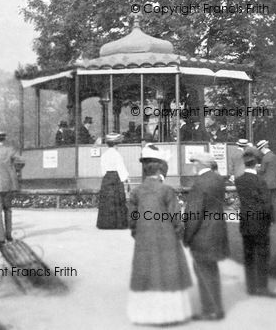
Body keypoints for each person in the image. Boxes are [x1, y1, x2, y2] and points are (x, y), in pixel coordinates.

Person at [128, 145, 192, 325]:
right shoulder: (167, 191)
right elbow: (175, 219)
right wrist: (178, 234)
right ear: (162, 169)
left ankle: (145, 314)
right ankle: (168, 314)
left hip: (144, 239)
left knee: (146, 274)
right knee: (167, 275)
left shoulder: (136, 192)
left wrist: (139, 234)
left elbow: (132, 220)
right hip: (167, 239)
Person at [184, 152, 229, 321]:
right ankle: (217, 308)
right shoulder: (218, 180)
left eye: (195, 163)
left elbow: (193, 214)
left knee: (203, 272)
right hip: (217, 230)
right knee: (212, 271)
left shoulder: (200, 184)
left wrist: (187, 237)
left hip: (202, 234)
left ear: (201, 164)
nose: (193, 166)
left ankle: (210, 310)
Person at [235, 147, 276, 298]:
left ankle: (251, 287)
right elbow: (267, 204)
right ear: (257, 163)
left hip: (246, 220)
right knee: (262, 255)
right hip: (260, 222)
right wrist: (269, 218)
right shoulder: (260, 181)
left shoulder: (239, 181)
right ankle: (262, 287)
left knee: (249, 254)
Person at [96, 133, 129, 229]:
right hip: (116, 177)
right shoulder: (117, 155)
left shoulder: (104, 155)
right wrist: (125, 178)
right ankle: (118, 223)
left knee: (107, 200)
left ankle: (105, 224)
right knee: (117, 199)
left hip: (107, 178)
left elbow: (103, 170)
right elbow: (121, 167)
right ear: (115, 144)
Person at [257, 140, 276, 224]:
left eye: (260, 149)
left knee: (267, 202)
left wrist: (257, 168)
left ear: (263, 148)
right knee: (273, 202)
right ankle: (275, 220)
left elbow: (262, 170)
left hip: (267, 183)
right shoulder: (275, 156)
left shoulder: (265, 157)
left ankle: (267, 219)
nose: (261, 151)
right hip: (275, 182)